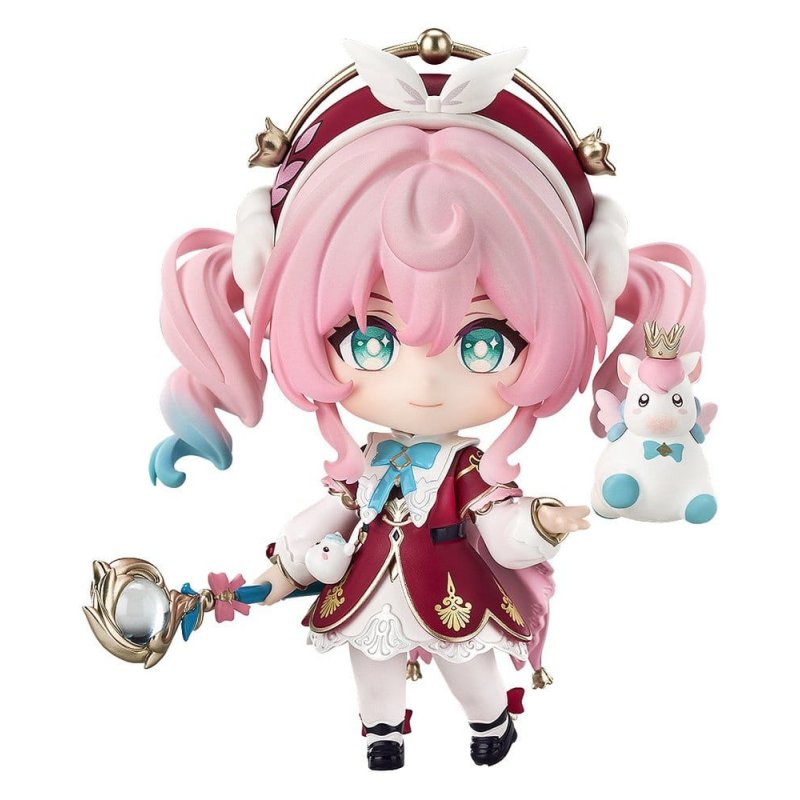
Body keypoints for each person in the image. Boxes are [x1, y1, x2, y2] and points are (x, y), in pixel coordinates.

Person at [150, 36, 704, 770]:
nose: (425, 381)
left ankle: (489, 721)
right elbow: (328, 516)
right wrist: (292, 560)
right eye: (369, 339)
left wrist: (541, 523)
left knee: (465, 662)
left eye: (485, 342)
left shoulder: (468, 470)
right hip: (369, 584)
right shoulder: (366, 462)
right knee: (371, 662)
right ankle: (382, 730)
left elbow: (500, 529)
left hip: (450, 584)